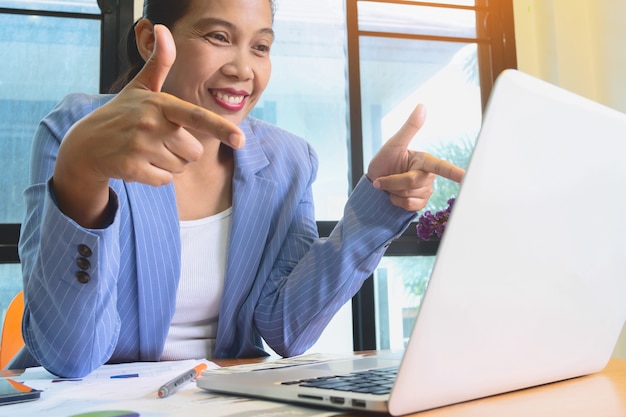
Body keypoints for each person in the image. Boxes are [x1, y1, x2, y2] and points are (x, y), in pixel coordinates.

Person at [12, 0, 464, 378]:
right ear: (151, 40)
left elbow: (287, 328)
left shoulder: (289, 161)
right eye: (217, 37)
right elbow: (70, 354)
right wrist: (81, 172)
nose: (243, 69)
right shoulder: (81, 132)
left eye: (261, 46)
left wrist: (376, 209)